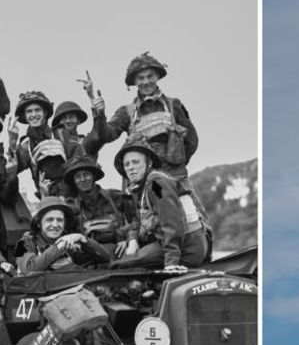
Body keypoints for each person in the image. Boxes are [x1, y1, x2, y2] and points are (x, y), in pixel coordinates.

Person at [94, 52, 198, 182]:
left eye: (150, 76)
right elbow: (106, 136)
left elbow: (192, 140)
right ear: (134, 82)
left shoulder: (174, 105)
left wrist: (178, 160)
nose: (146, 82)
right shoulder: (126, 112)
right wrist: (100, 114)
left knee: (189, 202)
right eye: (141, 78)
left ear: (157, 76)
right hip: (142, 180)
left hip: (175, 177)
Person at [110, 139, 208, 269]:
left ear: (148, 163)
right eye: (127, 164)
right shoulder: (141, 188)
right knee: (123, 258)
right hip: (171, 244)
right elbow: (139, 220)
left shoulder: (156, 184)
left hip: (187, 246)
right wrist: (133, 239)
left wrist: (171, 263)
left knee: (120, 266)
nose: (131, 168)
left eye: (136, 162)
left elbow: (171, 221)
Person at [16, 198, 110, 273]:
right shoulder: (24, 242)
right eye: (49, 220)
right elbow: (28, 270)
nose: (55, 225)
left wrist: (84, 239)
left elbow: (105, 258)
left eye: (60, 220)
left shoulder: (70, 239)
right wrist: (59, 246)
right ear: (38, 223)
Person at [61, 155, 127, 253]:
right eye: (78, 176)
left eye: (86, 174)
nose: (83, 179)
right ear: (74, 181)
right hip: (91, 255)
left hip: (120, 250)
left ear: (93, 176)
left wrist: (128, 239)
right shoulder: (72, 207)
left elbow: (136, 218)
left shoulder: (116, 196)